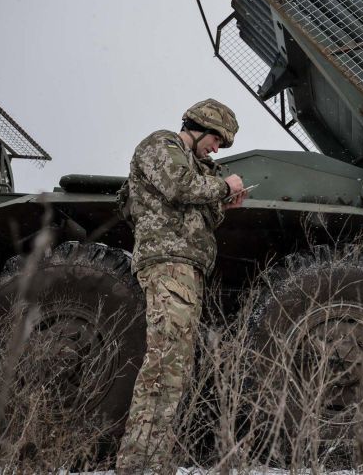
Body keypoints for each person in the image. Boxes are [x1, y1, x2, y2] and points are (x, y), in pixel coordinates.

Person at [115, 98, 247, 473]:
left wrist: (226, 201)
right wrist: (224, 186)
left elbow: (196, 213)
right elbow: (178, 186)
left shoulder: (197, 165)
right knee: (164, 362)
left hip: (187, 269)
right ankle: (139, 463)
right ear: (199, 126)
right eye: (217, 139)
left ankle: (152, 458)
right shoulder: (161, 144)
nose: (217, 148)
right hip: (168, 266)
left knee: (175, 365)